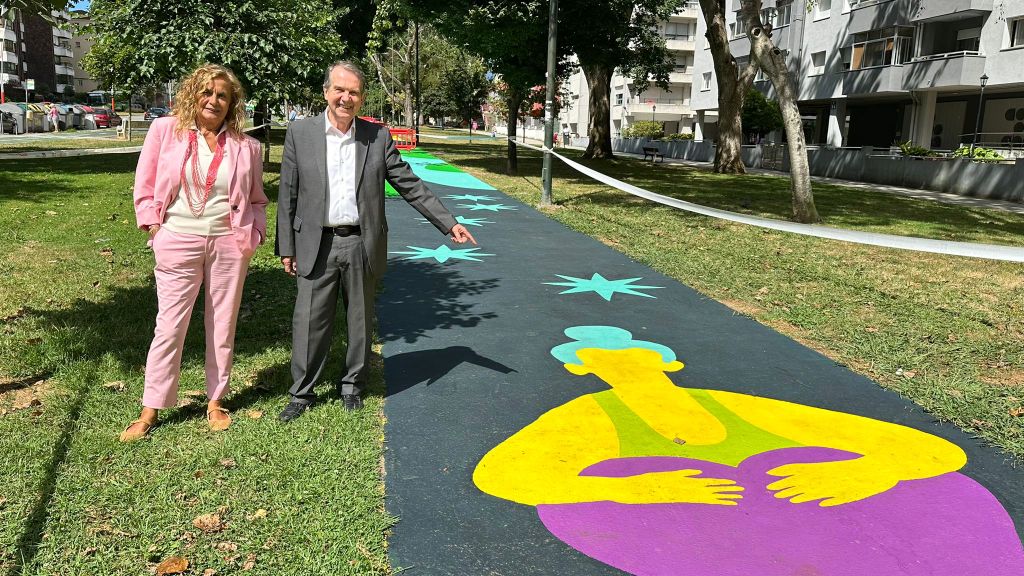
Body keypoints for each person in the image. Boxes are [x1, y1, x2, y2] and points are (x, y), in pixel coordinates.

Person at [473, 326, 1024, 574]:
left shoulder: (735, 405)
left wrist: (876, 469)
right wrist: (637, 487)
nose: (624, 365)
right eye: (600, 361)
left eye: (638, 356)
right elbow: (503, 475)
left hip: (836, 526)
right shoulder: (588, 417)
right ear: (582, 370)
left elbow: (925, 448)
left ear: (670, 363)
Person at [275, 60, 477, 421]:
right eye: (339, 89)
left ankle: (352, 386)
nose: (346, 98)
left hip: (360, 242)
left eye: (353, 92)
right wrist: (286, 247)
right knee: (308, 321)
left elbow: (409, 184)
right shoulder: (300, 133)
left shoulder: (377, 136)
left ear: (362, 97)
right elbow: (287, 194)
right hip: (315, 243)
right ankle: (302, 392)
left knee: (360, 319)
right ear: (326, 91)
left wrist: (448, 223)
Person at [122, 64, 268, 442]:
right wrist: (154, 227)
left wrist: (253, 235)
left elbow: (256, 200)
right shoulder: (165, 131)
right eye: (206, 92)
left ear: (232, 103)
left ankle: (215, 400)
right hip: (178, 239)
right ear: (192, 94)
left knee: (222, 324)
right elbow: (145, 184)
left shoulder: (248, 147)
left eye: (222, 96)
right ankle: (151, 407)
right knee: (170, 326)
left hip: (229, 244)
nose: (213, 101)